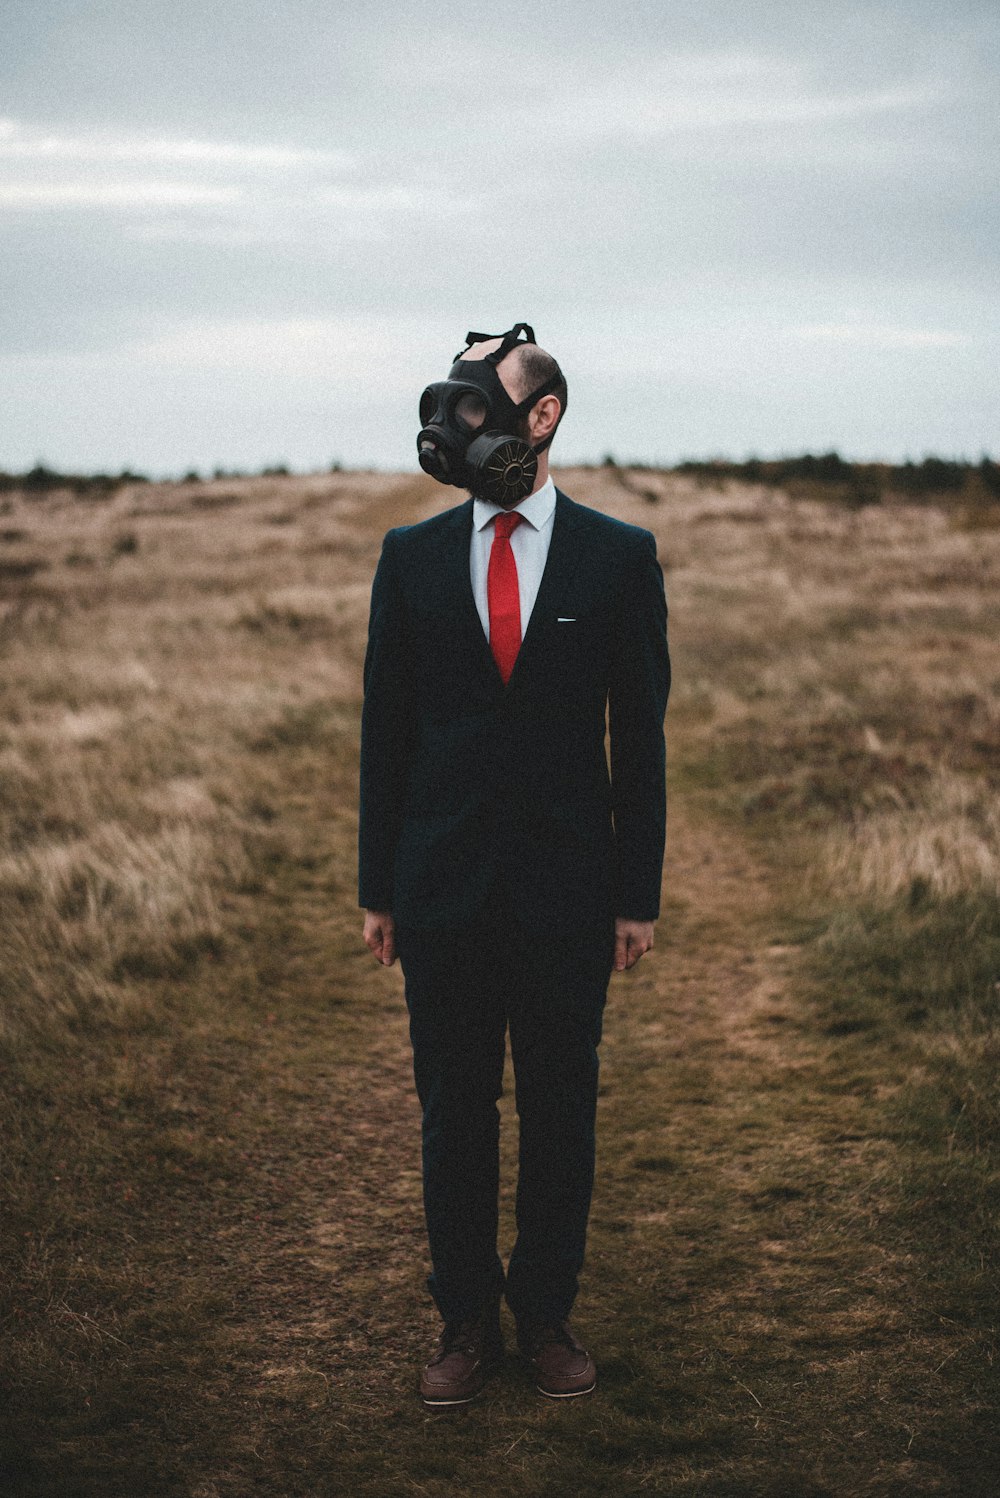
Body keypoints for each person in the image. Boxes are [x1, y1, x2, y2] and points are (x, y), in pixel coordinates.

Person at [359, 323, 670, 1406]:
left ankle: (544, 1315)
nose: (458, 425)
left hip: (566, 891)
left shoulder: (617, 558)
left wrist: (636, 894)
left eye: (480, 404)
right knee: (453, 1110)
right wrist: (376, 885)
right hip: (440, 886)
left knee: (558, 1108)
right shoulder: (410, 558)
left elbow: (640, 735)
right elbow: (384, 731)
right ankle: (462, 1322)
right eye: (450, 405)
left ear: (543, 418)